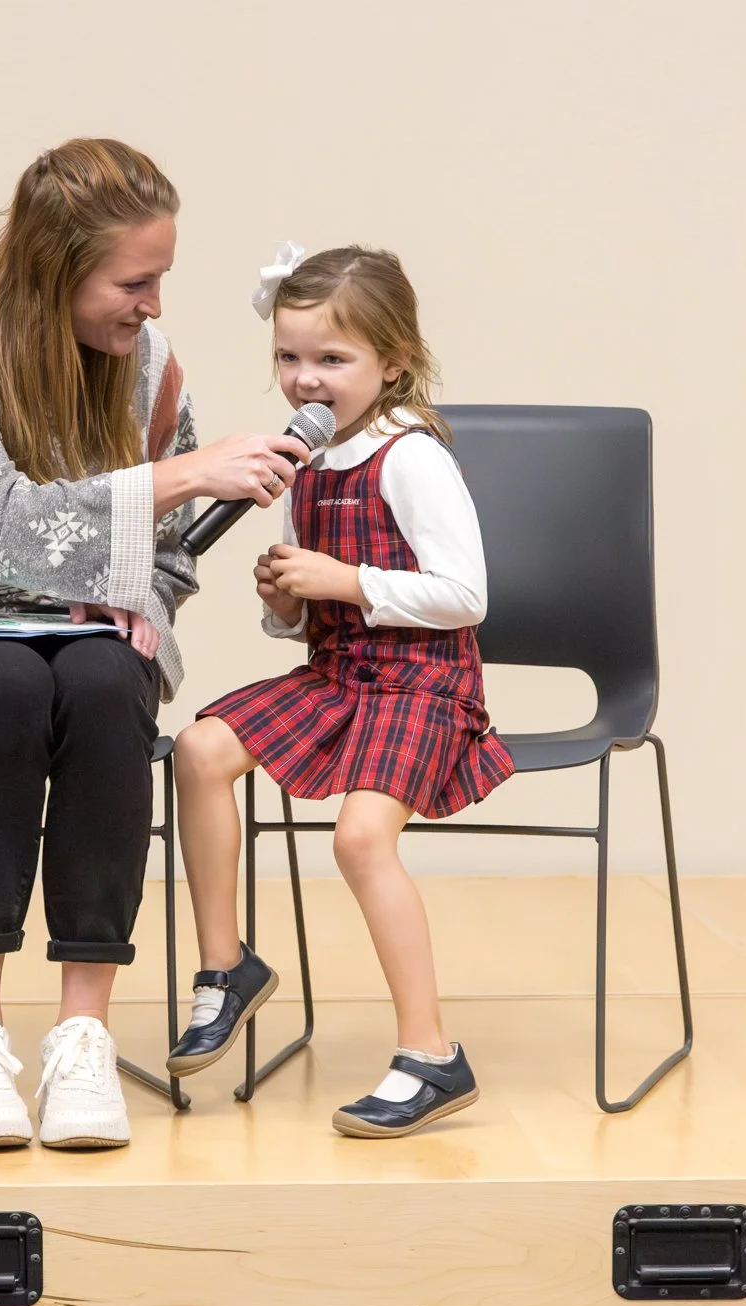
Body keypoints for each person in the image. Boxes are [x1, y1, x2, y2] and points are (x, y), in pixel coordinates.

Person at [0, 139, 308, 1151]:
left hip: (58, 641)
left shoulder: (144, 367)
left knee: (109, 675)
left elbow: (167, 557)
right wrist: (177, 477)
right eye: (133, 282)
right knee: (3, 681)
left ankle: (83, 1034)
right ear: (52, 267)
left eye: (159, 278)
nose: (152, 306)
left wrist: (141, 605)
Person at [166, 244, 515, 1138]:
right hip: (340, 674)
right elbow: (309, 616)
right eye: (289, 357)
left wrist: (347, 580)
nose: (305, 379)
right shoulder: (305, 462)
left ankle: (432, 1054)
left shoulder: (411, 457)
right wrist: (288, 602)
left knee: (361, 838)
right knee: (199, 749)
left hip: (422, 683)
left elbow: (465, 595)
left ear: (391, 362)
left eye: (331, 358)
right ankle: (226, 967)